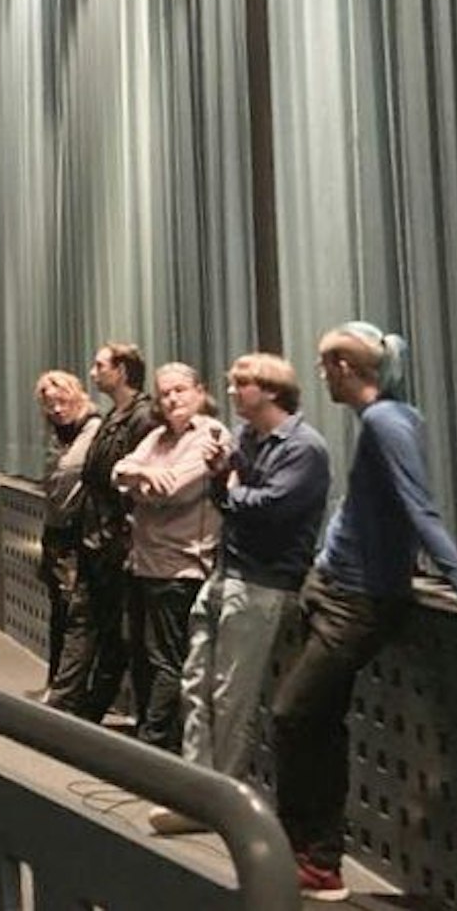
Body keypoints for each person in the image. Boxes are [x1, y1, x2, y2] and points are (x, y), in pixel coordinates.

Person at [272, 323, 457, 899]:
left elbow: (421, 509)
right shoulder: (385, 420)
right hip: (334, 585)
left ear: (345, 367)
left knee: (293, 715)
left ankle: (314, 856)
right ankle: (313, 858)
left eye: (325, 366)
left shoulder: (385, 422)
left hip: (356, 599)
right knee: (313, 721)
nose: (321, 377)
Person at [149, 353, 329, 836]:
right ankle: (196, 789)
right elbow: (234, 500)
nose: (231, 393)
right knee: (194, 680)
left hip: (264, 584)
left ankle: (221, 802)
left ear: (270, 391)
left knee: (233, 696)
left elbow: (268, 508)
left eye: (240, 385)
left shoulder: (304, 448)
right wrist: (224, 479)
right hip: (226, 572)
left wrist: (226, 484)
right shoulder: (247, 438)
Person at [110, 362, 226, 753]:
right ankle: (152, 739)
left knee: (166, 662)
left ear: (199, 391)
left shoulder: (211, 436)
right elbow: (118, 472)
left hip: (180, 566)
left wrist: (139, 481)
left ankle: (154, 747)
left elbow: (173, 491)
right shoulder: (159, 437)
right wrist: (139, 476)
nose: (172, 398)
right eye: (165, 392)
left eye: (180, 390)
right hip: (144, 562)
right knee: (141, 655)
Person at [50, 342, 157, 724]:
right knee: (87, 622)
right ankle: (69, 708)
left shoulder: (142, 417)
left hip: (118, 543)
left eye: (100, 366)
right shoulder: (118, 415)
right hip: (97, 538)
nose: (93, 373)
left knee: (116, 634)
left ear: (123, 371)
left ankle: (82, 710)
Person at [32, 370, 100, 696]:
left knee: (74, 614)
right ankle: (57, 682)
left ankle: (66, 691)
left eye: (62, 401)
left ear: (77, 396)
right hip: (56, 532)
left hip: (78, 535)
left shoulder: (93, 430)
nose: (56, 409)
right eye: (49, 404)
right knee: (59, 611)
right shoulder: (58, 434)